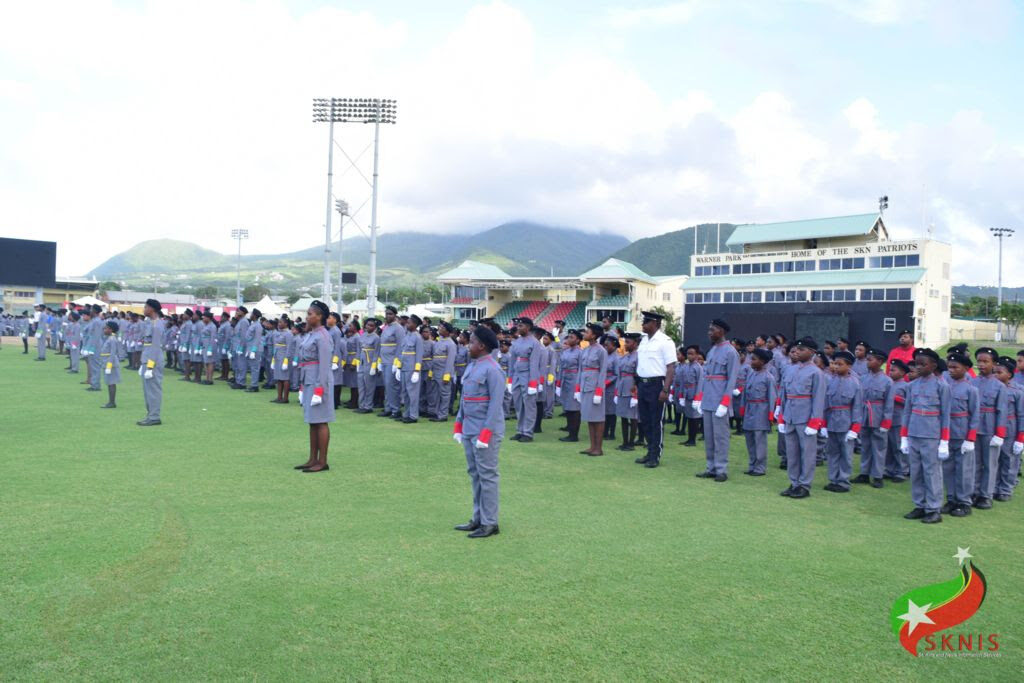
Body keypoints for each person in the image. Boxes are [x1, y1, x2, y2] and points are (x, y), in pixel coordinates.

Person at [452, 324, 505, 538]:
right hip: (469, 429)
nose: (468, 345)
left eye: (472, 342)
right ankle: (478, 518)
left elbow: (495, 406)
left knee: (488, 476)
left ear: (481, 346)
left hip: (485, 432)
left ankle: (490, 522)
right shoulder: (473, 366)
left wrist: (486, 433)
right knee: (475, 474)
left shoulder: (493, 369)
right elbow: (465, 400)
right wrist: (458, 424)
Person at [899, 348, 950, 523]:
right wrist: (904, 436)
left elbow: (945, 415)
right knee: (916, 471)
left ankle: (934, 508)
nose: (918, 367)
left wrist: (944, 441)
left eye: (923, 364)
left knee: (932, 471)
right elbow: (907, 412)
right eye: (916, 364)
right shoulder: (911, 386)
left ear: (933, 365)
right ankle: (920, 505)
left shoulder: (941, 386)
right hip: (914, 433)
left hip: (931, 435)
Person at [777, 337, 826, 499]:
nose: (797, 352)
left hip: (806, 418)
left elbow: (818, 398)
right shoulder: (789, 369)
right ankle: (794, 482)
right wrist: (782, 416)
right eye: (796, 349)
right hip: (790, 415)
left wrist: (814, 421)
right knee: (792, 453)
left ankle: (804, 485)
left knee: (807, 453)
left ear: (812, 353)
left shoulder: (816, 372)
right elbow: (784, 394)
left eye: (802, 349)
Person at [694, 319, 739, 482]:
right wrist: (699, 398)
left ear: (721, 331)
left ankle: (721, 469)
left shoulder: (730, 351)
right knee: (709, 437)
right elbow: (705, 376)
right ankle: (711, 467)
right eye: (709, 329)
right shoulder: (712, 350)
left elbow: (732, 378)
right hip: (708, 399)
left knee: (721, 437)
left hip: (720, 400)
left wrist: (725, 402)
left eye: (712, 330)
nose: (709, 332)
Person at [293, 300, 335, 473]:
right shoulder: (310, 334)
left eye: (310, 314)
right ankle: (312, 458)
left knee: (321, 421)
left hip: (320, 382)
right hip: (309, 380)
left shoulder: (323, 336)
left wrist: (319, 389)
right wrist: (303, 387)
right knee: (312, 421)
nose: (307, 316)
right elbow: (305, 362)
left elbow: (324, 365)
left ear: (320, 316)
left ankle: (322, 461)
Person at [633, 311, 676, 467]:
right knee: (644, 421)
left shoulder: (665, 341)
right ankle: (649, 451)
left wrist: (665, 390)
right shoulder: (644, 341)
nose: (643, 324)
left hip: (657, 384)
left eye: (647, 322)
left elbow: (671, 367)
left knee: (656, 421)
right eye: (643, 321)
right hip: (643, 384)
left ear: (656, 324)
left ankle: (655, 455)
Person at [970, 347, 1007, 509]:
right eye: (979, 361)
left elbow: (1002, 411)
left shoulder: (999, 386)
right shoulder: (972, 382)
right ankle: (974, 491)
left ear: (994, 364)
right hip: (973, 427)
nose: (982, 364)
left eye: (986, 361)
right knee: (974, 463)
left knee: (990, 463)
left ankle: (986, 495)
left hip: (990, 427)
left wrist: (999, 434)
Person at [943, 351, 979, 516]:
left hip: (962, 433)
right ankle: (951, 499)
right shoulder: (944, 386)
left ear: (965, 368)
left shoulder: (971, 390)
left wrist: (970, 438)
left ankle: (964, 502)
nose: (951, 370)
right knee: (948, 468)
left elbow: (975, 415)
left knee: (964, 469)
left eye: (955, 367)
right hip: (947, 433)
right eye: (949, 367)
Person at [821, 351, 862, 493]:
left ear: (849, 365)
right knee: (832, 452)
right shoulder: (831, 380)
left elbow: (857, 407)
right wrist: (823, 424)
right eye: (835, 364)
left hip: (846, 421)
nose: (836, 367)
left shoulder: (855, 383)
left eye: (840, 364)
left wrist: (855, 428)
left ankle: (843, 481)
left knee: (846, 453)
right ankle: (833, 479)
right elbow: (826, 404)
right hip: (832, 420)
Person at [854, 348, 895, 488]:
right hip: (864, 415)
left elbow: (889, 404)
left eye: (870, 359)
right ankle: (864, 473)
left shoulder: (887, 381)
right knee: (865, 445)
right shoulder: (863, 378)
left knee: (879, 447)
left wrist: (886, 421)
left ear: (880, 362)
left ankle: (877, 475)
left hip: (878, 416)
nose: (867, 362)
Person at [740, 348, 776, 475]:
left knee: (759, 440)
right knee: (749, 439)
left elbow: (772, 397)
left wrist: (771, 415)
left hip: (761, 410)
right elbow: (745, 393)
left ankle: (760, 468)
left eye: (754, 359)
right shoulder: (751, 374)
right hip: (750, 409)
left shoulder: (768, 377)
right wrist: (742, 408)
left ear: (762, 361)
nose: (751, 361)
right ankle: (752, 465)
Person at [993, 356, 1023, 503]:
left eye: (999, 372)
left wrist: (1021, 438)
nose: (996, 375)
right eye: (994, 372)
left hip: (1010, 428)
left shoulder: (1017, 391)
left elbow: (1021, 414)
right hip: (992, 427)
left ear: (1009, 375)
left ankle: (1005, 489)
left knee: (1009, 460)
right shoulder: (992, 387)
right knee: (994, 460)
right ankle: (994, 487)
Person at [509, 317, 543, 443]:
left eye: (521, 325)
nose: (518, 328)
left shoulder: (534, 342)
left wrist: (533, 383)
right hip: (517, 375)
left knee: (529, 406)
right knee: (518, 405)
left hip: (528, 376)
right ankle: (520, 430)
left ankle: (528, 432)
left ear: (528, 327)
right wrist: (510, 379)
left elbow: (534, 364)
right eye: (518, 325)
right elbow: (512, 361)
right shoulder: (517, 342)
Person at [578, 324, 609, 456]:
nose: (584, 333)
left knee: (598, 417)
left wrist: (599, 391)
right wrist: (577, 388)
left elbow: (603, 372)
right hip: (585, 384)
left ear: (594, 335)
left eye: (587, 332)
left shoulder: (601, 350)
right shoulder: (584, 350)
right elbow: (580, 370)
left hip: (595, 385)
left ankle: (598, 448)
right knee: (589, 416)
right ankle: (592, 446)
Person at [138, 299, 164, 426]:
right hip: (147, 359)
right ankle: (150, 415)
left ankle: (154, 417)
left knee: (153, 390)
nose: (144, 309)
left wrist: (149, 366)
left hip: (152, 361)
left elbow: (155, 347)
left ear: (152, 309)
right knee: (147, 390)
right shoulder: (150, 323)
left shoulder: (157, 325)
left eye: (146, 307)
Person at [614, 333, 640, 450]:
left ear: (635, 343)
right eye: (625, 342)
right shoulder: (624, 357)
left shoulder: (638, 357)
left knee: (633, 417)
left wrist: (635, 395)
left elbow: (638, 376)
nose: (625, 344)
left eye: (628, 342)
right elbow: (619, 375)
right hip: (622, 387)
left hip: (631, 388)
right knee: (623, 416)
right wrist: (616, 391)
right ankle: (625, 442)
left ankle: (631, 443)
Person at [378, 305, 405, 419]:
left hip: (392, 360)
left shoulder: (398, 328)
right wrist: (379, 360)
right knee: (386, 385)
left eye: (390, 314)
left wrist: (397, 362)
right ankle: (388, 407)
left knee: (392, 386)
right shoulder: (386, 327)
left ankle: (395, 409)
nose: (388, 316)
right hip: (384, 359)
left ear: (395, 315)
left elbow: (401, 345)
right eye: (387, 313)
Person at [556, 329, 582, 442]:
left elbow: (581, 370)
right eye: (569, 337)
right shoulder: (565, 352)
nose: (569, 339)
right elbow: (561, 368)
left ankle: (574, 435)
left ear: (578, 340)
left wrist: (579, 386)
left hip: (575, 380)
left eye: (572, 337)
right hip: (565, 379)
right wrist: (558, 383)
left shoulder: (580, 352)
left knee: (575, 408)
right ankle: (570, 431)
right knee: (567, 406)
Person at [397, 314, 424, 423]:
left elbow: (419, 355)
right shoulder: (406, 335)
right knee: (405, 393)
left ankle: (413, 416)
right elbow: (401, 352)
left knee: (412, 393)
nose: (407, 324)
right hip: (404, 367)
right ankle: (406, 414)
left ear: (415, 324)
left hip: (412, 369)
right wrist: (399, 367)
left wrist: (417, 371)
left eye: (409, 323)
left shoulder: (418, 337)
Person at [429, 322, 456, 422]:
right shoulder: (438, 341)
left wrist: (447, 375)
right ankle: (436, 412)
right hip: (436, 371)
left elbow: (450, 361)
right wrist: (431, 372)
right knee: (435, 394)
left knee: (445, 394)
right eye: (440, 327)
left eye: (442, 328)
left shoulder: (451, 344)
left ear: (447, 331)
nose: (439, 328)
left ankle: (443, 415)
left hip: (444, 371)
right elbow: (434, 357)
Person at [356, 318, 381, 413]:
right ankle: (361, 405)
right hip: (362, 361)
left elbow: (377, 353)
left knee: (369, 385)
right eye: (367, 325)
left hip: (370, 362)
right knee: (361, 385)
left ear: (375, 327)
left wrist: (374, 366)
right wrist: (357, 361)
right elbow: (359, 349)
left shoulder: (376, 338)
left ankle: (368, 406)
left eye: (371, 326)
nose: (369, 327)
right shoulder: (362, 335)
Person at [99, 319, 122, 408]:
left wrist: (109, 366)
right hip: (107, 362)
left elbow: (112, 353)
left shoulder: (112, 339)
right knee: (109, 382)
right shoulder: (110, 338)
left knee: (111, 383)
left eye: (106, 328)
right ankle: (111, 401)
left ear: (111, 330)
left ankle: (112, 402)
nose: (104, 330)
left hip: (110, 363)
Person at [602, 334, 619, 440]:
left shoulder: (616, 358)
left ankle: (611, 433)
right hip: (603, 385)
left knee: (611, 411)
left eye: (607, 345)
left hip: (611, 387)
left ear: (614, 345)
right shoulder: (605, 355)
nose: (605, 347)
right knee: (605, 411)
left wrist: (606, 382)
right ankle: (605, 431)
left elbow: (616, 374)